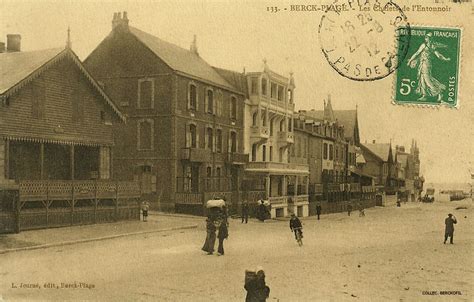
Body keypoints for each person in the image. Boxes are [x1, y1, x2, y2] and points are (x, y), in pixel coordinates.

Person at [406, 32, 451, 102]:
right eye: (426, 37)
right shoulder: (425, 45)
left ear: (430, 38)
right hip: (422, 63)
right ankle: (424, 95)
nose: (426, 38)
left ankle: (439, 92)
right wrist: (410, 60)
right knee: (422, 79)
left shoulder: (430, 46)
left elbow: (438, 55)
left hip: (426, 64)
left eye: (428, 37)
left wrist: (446, 59)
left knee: (427, 79)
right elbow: (417, 53)